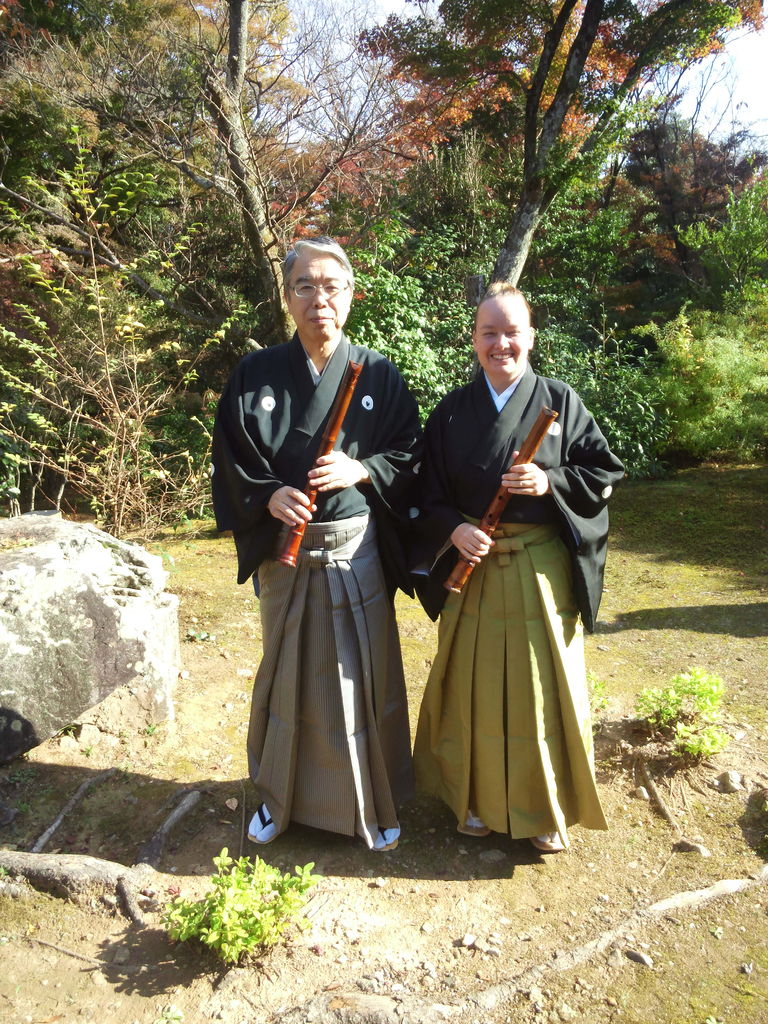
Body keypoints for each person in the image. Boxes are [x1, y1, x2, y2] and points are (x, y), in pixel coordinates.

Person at [211, 237, 422, 852]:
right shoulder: (255, 374)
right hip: (286, 553)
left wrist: (362, 469)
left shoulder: (379, 374)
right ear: (287, 297)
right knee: (288, 678)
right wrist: (269, 495)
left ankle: (372, 804)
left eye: (332, 286)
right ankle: (278, 801)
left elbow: (411, 455)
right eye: (304, 285)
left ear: (351, 296)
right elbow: (231, 459)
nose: (318, 299)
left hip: (354, 551)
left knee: (360, 679)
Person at [412, 282, 624, 853]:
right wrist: (453, 529)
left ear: (530, 337)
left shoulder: (560, 400)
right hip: (473, 564)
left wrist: (549, 482)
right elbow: (424, 491)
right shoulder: (452, 412)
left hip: (539, 567)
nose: (500, 344)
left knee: (541, 689)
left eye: (511, 332)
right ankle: (474, 798)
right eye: (489, 333)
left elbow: (603, 473)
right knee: (472, 687)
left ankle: (545, 807)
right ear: (474, 340)